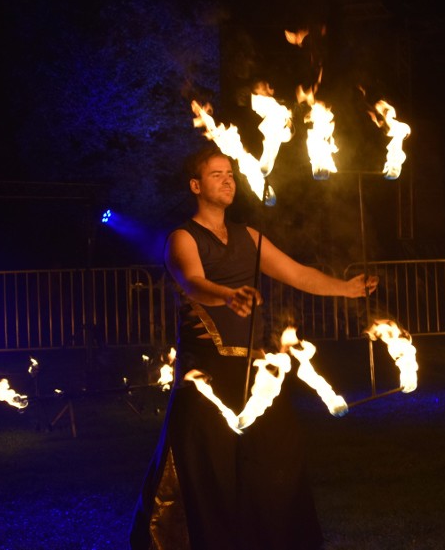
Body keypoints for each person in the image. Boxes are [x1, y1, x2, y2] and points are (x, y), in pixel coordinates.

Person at [129, 144, 378, 550]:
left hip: (257, 372)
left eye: (230, 174)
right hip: (205, 372)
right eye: (216, 175)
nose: (228, 180)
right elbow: (192, 282)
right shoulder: (182, 237)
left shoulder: (251, 238)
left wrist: (347, 289)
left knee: (277, 460)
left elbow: (299, 274)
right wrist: (227, 295)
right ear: (196, 185)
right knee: (208, 471)